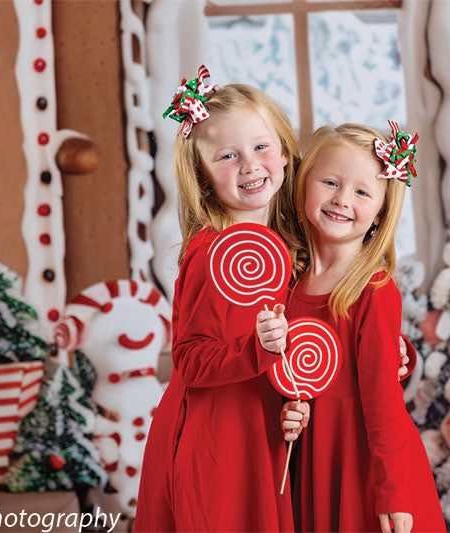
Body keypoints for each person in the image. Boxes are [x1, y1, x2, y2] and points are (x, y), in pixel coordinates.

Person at [134, 68, 303, 531]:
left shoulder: (291, 246)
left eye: (261, 146)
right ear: (204, 177)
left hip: (265, 429)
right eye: (227, 156)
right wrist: (257, 349)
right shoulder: (210, 253)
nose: (250, 164)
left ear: (285, 153)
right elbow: (188, 359)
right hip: (216, 436)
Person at [258, 123, 445, 533]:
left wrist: (393, 491)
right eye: (330, 182)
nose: (342, 199)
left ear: (381, 211)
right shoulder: (283, 283)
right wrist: (288, 411)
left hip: (363, 461)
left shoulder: (374, 291)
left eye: (362, 192)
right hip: (310, 457)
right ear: (304, 185)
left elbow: (384, 404)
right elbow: (283, 377)